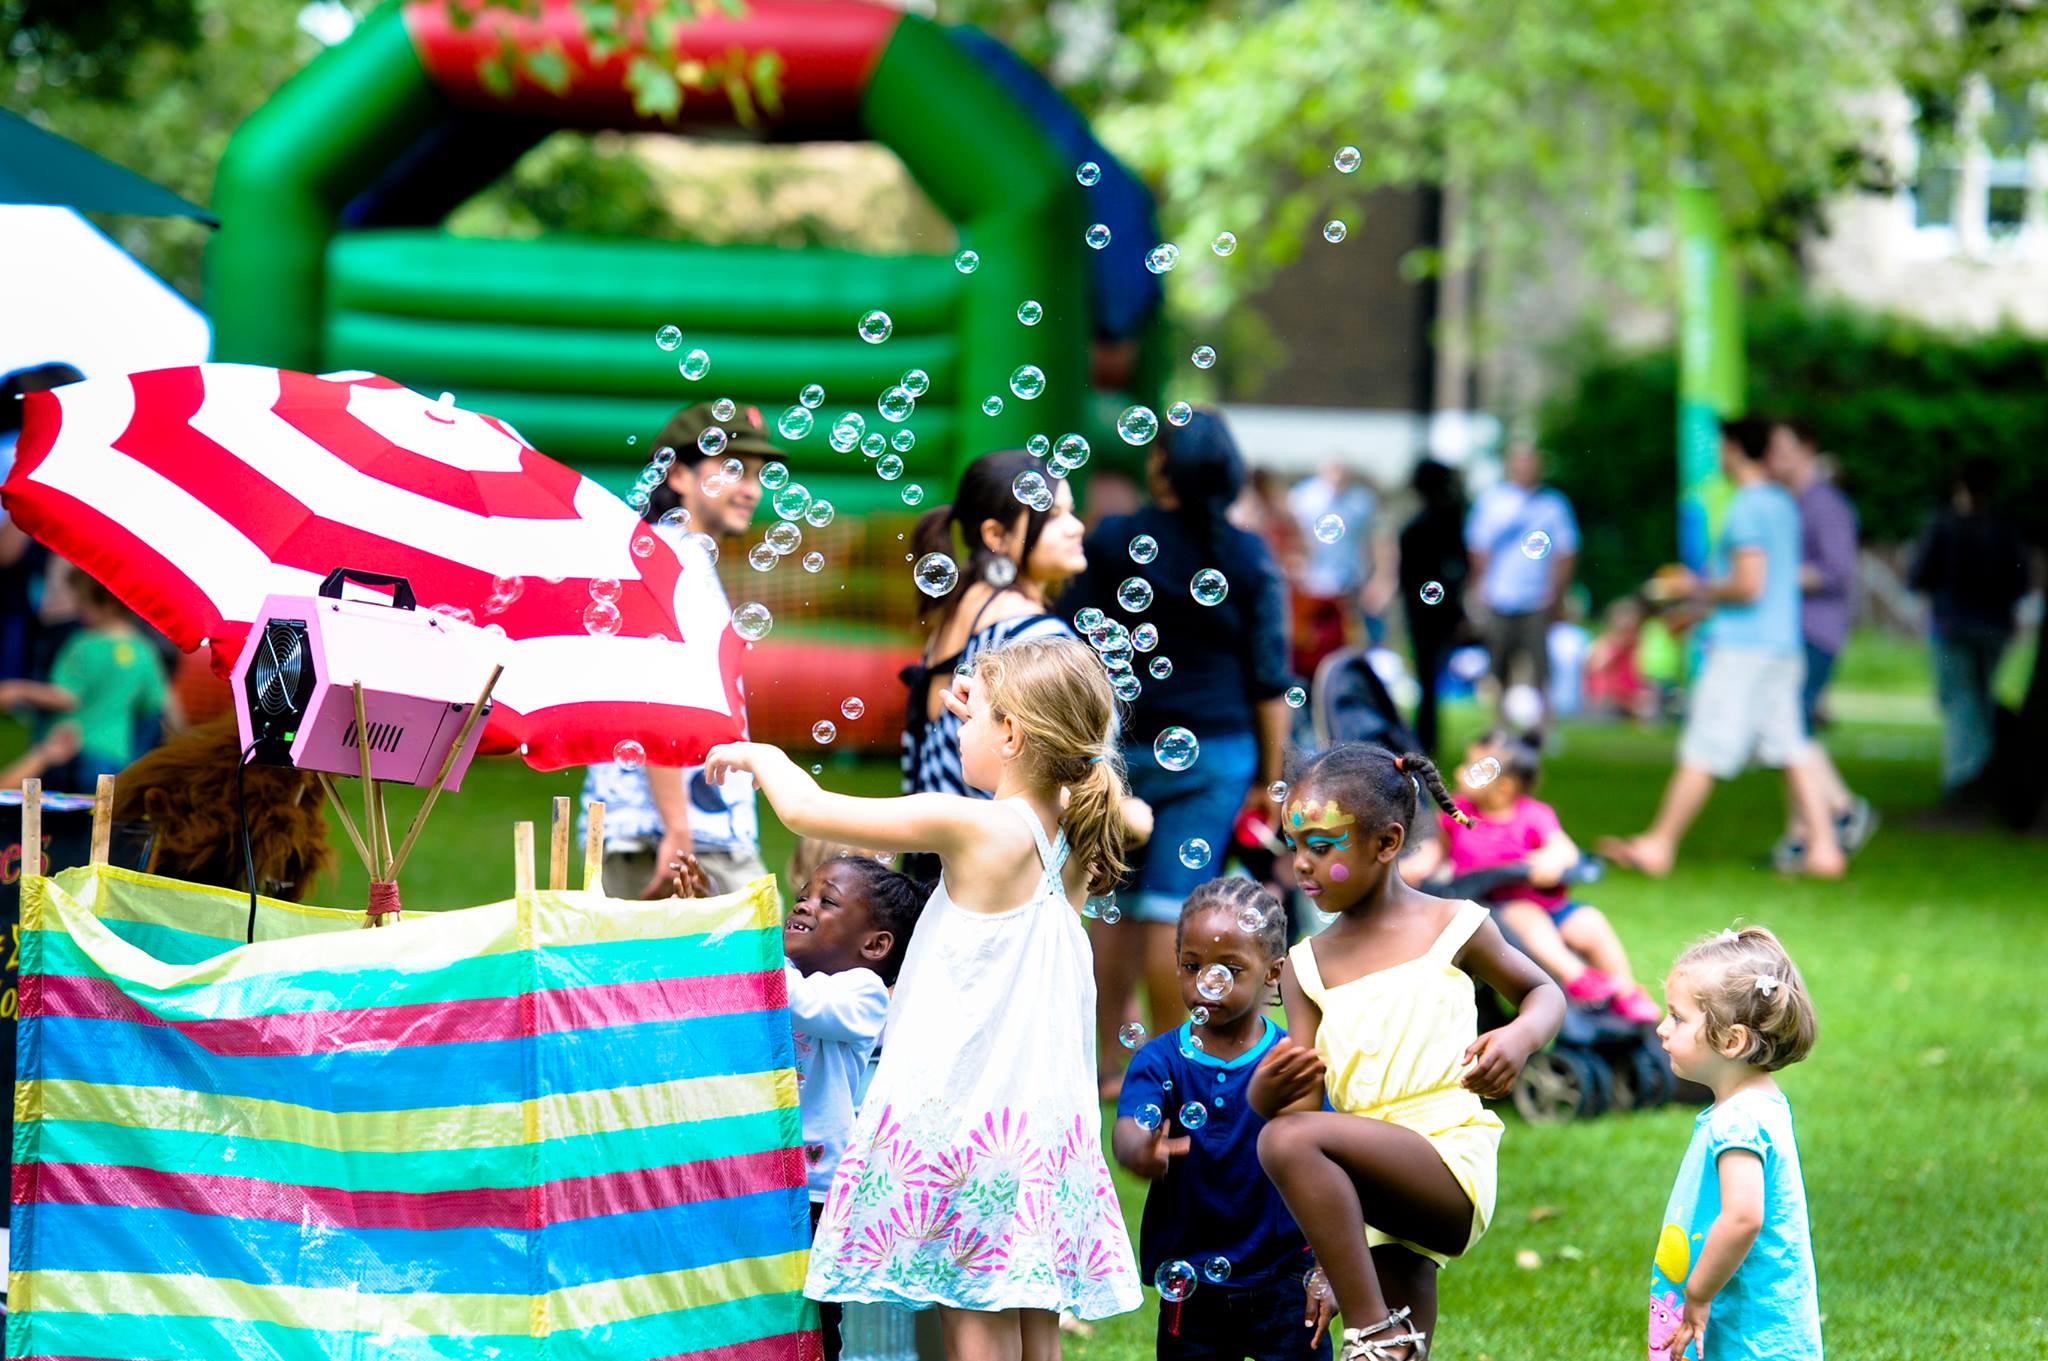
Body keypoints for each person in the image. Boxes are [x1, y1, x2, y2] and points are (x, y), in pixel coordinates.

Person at [703, 635, 1143, 1348]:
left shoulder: (971, 826)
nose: (956, 722)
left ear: (1012, 733)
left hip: (966, 1120)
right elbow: (1025, 781)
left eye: (975, 718)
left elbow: (808, 811)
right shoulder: (1070, 836)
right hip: (1034, 1127)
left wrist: (761, 756)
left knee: (972, 1314)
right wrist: (994, 728)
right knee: (1030, 1316)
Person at [1248, 744, 1565, 1361]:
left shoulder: (1454, 924)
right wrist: (1265, 1094)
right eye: (1295, 846)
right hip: (1368, 1179)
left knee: (1284, 1144)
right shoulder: (1305, 966)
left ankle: (1372, 1327)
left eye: (1322, 845)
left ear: (1387, 843)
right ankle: (1382, 1335)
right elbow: (1304, 1109)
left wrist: (1518, 1038)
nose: (1302, 866)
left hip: (1447, 1156)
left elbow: (1543, 992)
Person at [1063, 410, 1292, 1095]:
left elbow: (1074, 642)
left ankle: (1102, 1062)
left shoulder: (1112, 541)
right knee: (1172, 905)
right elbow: (1271, 677)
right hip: (1216, 752)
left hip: (1124, 751)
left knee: (1113, 902)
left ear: (1159, 466)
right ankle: (1175, 1066)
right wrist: (1272, 779)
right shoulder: (1249, 556)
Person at [1600, 419, 1846, 880]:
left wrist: (1694, 587)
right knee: (1790, 746)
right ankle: (1825, 850)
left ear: (1736, 449)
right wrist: (1696, 612)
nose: (1717, 455)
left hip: (1742, 653)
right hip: (1780, 646)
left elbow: (1749, 586)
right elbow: (1771, 589)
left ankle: (1659, 844)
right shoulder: (1782, 503)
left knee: (1703, 747)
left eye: (1720, 447)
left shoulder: (1750, 506)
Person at [1113, 877, 1330, 1361]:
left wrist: (1327, 1270)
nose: (1206, 984)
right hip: (1192, 1285)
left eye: (1230, 968)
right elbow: (1130, 1128)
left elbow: (1330, 1169)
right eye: (1192, 967)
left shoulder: (1291, 1061)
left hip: (1287, 1279)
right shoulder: (1161, 1061)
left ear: (1273, 973)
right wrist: (1137, 1149)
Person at [581, 401, 773, 899]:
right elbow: (656, 697)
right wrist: (677, 829)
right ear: (680, 475)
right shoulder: (669, 560)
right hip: (672, 836)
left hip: (674, 827)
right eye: (733, 470)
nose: (751, 489)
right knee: (751, 967)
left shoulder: (678, 557)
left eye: (757, 474)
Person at [776, 853, 928, 1361]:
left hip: (816, 1189)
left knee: (812, 1318)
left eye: (827, 901)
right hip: (763, 1173)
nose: (803, 904)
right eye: (802, 895)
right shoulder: (784, 976)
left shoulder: (863, 994)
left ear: (875, 945)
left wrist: (753, 949)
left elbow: (803, 1005)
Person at [1401, 731, 1660, 1024]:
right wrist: (1418, 866)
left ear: (1503, 788)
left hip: (1552, 906)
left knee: (1591, 923)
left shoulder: (1534, 815)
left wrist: (1551, 859)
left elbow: (1564, 849)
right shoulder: (1457, 814)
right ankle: (1578, 977)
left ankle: (1626, 992)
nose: (1460, 772)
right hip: (1497, 908)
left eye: (1474, 769)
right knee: (1528, 917)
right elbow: (1437, 850)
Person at [1648, 926, 1821, 1361]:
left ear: (1732, 1041)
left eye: (1678, 1018)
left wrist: (1699, 1294)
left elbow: (1744, 1217)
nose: (1660, 1029)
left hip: (1747, 1333)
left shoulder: (1739, 1122)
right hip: (1752, 1325)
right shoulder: (1758, 1106)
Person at [901, 448, 1086, 814]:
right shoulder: (1035, 635)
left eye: (1072, 511)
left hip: (938, 850)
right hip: (1002, 852)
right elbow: (1071, 775)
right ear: (995, 534)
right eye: (1052, 516)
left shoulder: (963, 607)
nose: (1076, 526)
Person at [1764, 419, 1873, 869]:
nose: (1776, 460)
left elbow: (1836, 571)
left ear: (1807, 449)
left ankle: (1843, 809)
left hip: (1816, 631)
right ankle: (1803, 832)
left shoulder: (1825, 505)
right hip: (1794, 631)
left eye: (1784, 450)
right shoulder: (1793, 502)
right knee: (1788, 728)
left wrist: (1772, 579)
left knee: (1791, 730)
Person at [1908, 458, 2034, 806]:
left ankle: (1963, 776)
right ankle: (1977, 770)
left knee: (1961, 700)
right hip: (1994, 625)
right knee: (1980, 696)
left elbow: (1919, 574)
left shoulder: (1944, 524)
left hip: (1953, 624)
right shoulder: (2005, 527)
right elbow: (2020, 579)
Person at [0, 565, 169, 789]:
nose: (77, 607)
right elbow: (153, 702)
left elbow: (66, 697)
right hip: (113, 753)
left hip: (67, 747)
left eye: (81, 600)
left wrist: (19, 689)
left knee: (56, 816)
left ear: (106, 604)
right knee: (100, 818)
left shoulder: (83, 644)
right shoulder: (144, 651)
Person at [1463, 444, 1578, 728]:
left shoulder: (1553, 504)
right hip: (1500, 595)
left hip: (1537, 597)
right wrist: (1479, 588)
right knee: (1498, 665)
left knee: (1540, 667)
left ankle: (1542, 728)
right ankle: (1500, 726)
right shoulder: (1491, 501)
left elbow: (1565, 551)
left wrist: (1558, 593)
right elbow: (1478, 548)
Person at [1288, 462, 1391, 675]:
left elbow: (1377, 541)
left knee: (1351, 642)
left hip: (1349, 582)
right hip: (1314, 585)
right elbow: (1293, 536)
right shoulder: (1304, 498)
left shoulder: (1361, 502)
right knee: (1312, 645)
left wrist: (1380, 580)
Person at [1397, 461, 1469, 757]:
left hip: (1426, 608)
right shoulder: (1451, 518)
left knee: (1426, 675)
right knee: (1429, 676)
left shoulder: (1428, 524)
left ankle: (1425, 736)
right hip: (1437, 605)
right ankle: (1425, 736)